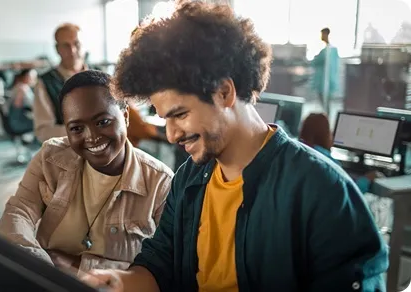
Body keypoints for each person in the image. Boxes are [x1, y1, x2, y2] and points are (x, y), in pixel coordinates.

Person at [82, 2, 387, 291]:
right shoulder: (189, 179)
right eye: (165, 119)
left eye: (180, 114)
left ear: (224, 92)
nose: (172, 134)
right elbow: (159, 266)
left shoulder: (320, 190)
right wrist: (118, 283)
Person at [0, 70, 173, 274]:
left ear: (125, 116)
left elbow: (163, 268)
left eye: (102, 122)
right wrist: (39, 263)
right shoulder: (51, 158)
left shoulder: (160, 182)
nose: (91, 137)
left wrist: (78, 266)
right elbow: (18, 212)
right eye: (76, 128)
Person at [299, 113, 381, 193]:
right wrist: (367, 179)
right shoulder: (328, 163)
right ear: (325, 135)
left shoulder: (299, 153)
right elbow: (349, 193)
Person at [33, 23, 88, 143]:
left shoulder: (100, 76)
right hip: (68, 151)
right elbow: (43, 131)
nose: (72, 50)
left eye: (76, 44)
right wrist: (84, 131)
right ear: (57, 49)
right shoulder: (45, 83)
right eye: (66, 45)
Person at [312, 27, 340, 110]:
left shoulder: (329, 51)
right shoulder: (327, 50)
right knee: (325, 103)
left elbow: (316, 61)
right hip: (325, 81)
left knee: (326, 104)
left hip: (326, 82)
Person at [7, 68, 36, 133]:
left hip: (15, 120)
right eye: (33, 76)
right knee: (43, 123)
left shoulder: (19, 86)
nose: (35, 79)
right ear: (26, 77)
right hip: (18, 123)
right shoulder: (22, 88)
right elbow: (17, 108)